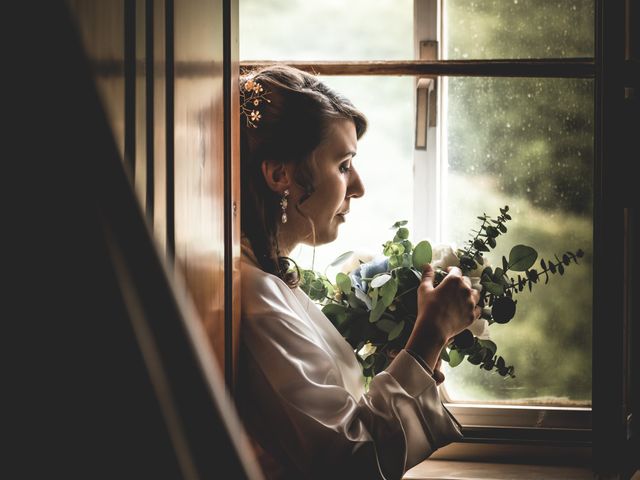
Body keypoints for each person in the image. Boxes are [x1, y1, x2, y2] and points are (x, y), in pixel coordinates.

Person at [238, 65, 481, 479]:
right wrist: (430, 334)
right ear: (280, 175)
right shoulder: (256, 298)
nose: (359, 186)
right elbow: (351, 464)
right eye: (344, 164)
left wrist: (411, 357)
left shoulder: (270, 282)